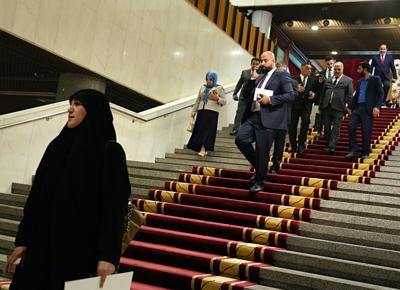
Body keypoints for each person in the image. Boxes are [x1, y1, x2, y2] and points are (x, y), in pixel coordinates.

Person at [5, 90, 131, 290]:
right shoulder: (57, 146)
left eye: (78, 104)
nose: (70, 109)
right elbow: (36, 198)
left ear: (94, 111)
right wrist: (24, 239)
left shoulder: (109, 152)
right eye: (71, 103)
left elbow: (114, 209)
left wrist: (108, 256)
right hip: (41, 246)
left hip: (80, 253)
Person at [235, 51, 294, 193]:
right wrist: (252, 79)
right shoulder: (260, 76)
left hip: (269, 118)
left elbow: (290, 95)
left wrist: (271, 100)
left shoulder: (282, 75)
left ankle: (260, 181)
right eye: (261, 60)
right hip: (253, 116)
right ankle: (261, 168)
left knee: (262, 150)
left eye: (265, 60)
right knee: (240, 139)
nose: (262, 63)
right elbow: (247, 94)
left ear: (273, 61)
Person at [346, 62, 384, 158]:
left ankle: (365, 152)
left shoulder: (376, 79)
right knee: (351, 126)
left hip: (368, 109)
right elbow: (356, 96)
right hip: (357, 108)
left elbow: (381, 94)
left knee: (366, 131)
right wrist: (350, 107)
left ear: (365, 69)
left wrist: (377, 107)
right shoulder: (359, 81)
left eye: (359, 69)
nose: (357, 70)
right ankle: (354, 150)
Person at [188, 71, 226, 157]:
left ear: (214, 79)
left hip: (212, 112)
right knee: (200, 130)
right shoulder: (202, 87)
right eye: (207, 79)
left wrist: (217, 98)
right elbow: (198, 100)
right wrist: (194, 111)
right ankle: (200, 147)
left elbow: (224, 102)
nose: (208, 81)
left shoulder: (219, 88)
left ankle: (203, 148)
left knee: (207, 131)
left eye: (211, 79)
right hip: (202, 111)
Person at [270, 63, 298, 174]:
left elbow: (294, 96)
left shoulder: (293, 82)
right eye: (279, 71)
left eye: (284, 71)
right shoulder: (270, 81)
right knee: (266, 143)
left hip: (284, 117)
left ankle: (275, 166)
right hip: (270, 115)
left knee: (279, 144)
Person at [319, 62, 353, 153]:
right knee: (326, 127)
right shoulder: (328, 80)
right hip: (326, 107)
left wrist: (349, 106)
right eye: (335, 69)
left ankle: (332, 146)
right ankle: (328, 143)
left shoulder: (348, 80)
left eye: (339, 69)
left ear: (343, 69)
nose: (337, 71)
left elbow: (350, 96)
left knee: (336, 128)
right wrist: (320, 105)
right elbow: (322, 94)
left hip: (339, 108)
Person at [289, 63, 321, 153]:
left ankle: (301, 145)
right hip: (294, 106)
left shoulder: (314, 80)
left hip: (306, 106)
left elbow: (317, 93)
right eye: (307, 68)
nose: (309, 70)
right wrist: (296, 88)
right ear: (302, 69)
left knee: (305, 125)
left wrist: (314, 95)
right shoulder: (293, 78)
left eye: (310, 69)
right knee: (292, 126)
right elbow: (288, 90)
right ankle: (293, 146)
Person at [230, 58, 260, 136]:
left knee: (251, 115)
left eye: (257, 64)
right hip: (243, 97)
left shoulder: (261, 74)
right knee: (239, 113)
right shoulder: (245, 72)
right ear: (251, 64)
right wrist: (234, 93)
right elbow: (239, 84)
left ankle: (248, 131)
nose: (255, 65)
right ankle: (235, 129)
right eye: (253, 63)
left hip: (254, 98)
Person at [314, 56, 336, 136]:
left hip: (334, 98)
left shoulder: (338, 72)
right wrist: (320, 82)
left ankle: (332, 133)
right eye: (328, 64)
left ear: (334, 62)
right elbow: (317, 87)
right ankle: (319, 130)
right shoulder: (322, 73)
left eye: (331, 64)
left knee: (332, 116)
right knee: (322, 115)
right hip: (323, 97)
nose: (330, 65)